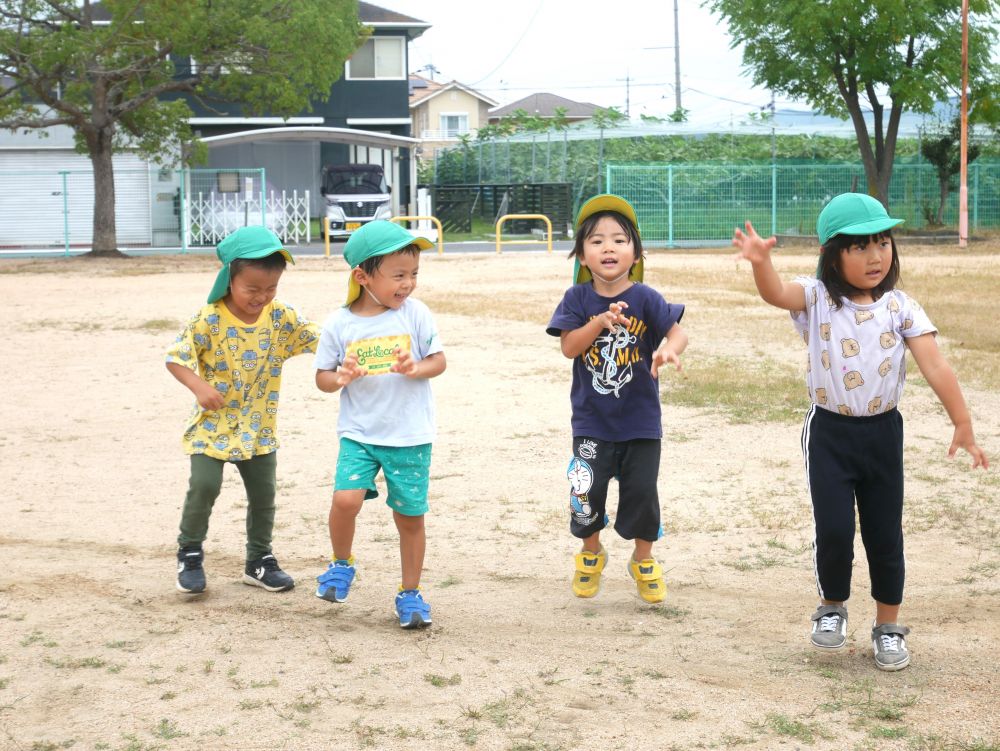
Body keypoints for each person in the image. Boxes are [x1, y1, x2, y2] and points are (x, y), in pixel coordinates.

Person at [732, 192, 989, 671]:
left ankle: (888, 626)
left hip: (882, 435)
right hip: (829, 432)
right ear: (833, 255)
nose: (875, 256)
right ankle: (831, 608)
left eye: (883, 242)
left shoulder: (901, 307)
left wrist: (963, 422)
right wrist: (761, 264)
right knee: (834, 528)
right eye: (859, 247)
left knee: (884, 533)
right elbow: (775, 294)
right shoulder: (817, 299)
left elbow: (935, 363)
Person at [547, 194, 687, 604]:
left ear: (635, 251)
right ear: (582, 256)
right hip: (591, 422)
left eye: (619, 239)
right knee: (584, 490)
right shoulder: (577, 300)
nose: (608, 247)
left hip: (641, 422)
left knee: (643, 492)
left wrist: (670, 347)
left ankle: (643, 559)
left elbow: (677, 330)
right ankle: (591, 552)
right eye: (596, 240)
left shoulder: (646, 298)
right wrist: (598, 322)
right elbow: (569, 348)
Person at [166, 225, 319, 595]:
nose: (262, 297)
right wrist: (199, 387)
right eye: (252, 289)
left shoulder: (280, 316)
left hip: (260, 426)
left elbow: (320, 339)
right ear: (229, 279)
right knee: (204, 485)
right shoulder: (209, 318)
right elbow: (176, 359)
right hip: (212, 424)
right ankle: (189, 552)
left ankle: (259, 561)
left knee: (264, 496)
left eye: (271, 288)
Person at [313, 221, 446, 629]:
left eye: (414, 274)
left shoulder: (416, 314)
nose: (408, 285)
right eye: (399, 275)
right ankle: (341, 563)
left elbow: (438, 362)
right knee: (346, 500)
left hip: (409, 436)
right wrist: (341, 378)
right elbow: (322, 378)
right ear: (363, 276)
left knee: (409, 517)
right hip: (360, 433)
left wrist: (415, 367)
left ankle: (410, 593)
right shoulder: (340, 324)